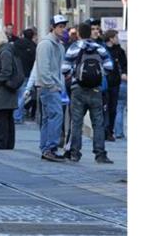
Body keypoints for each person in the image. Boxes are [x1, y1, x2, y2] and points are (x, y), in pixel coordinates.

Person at [62, 22, 114, 164]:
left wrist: (74, 75)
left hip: (77, 89)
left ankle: (75, 153)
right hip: (96, 90)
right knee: (98, 122)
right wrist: (99, 76)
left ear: (78, 33)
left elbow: (64, 68)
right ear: (90, 33)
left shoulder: (73, 48)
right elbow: (109, 67)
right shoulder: (99, 48)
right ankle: (100, 154)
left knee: (76, 122)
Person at [34, 15, 67, 162]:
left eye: (63, 26)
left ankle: (46, 148)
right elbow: (43, 68)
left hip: (53, 86)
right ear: (52, 27)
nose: (63, 29)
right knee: (56, 116)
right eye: (60, 26)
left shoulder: (59, 45)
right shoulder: (46, 44)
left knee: (48, 118)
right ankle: (50, 147)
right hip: (49, 87)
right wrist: (51, 85)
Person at [103, 30, 126, 141]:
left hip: (115, 83)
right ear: (111, 38)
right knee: (104, 108)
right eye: (116, 37)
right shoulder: (102, 49)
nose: (118, 39)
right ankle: (104, 131)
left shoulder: (120, 51)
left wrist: (124, 73)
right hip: (104, 83)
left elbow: (125, 65)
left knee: (113, 108)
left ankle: (109, 131)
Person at [13, 28, 37, 123]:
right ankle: (17, 115)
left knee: (18, 94)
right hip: (27, 73)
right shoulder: (33, 46)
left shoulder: (16, 44)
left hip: (16, 73)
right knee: (23, 95)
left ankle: (17, 114)